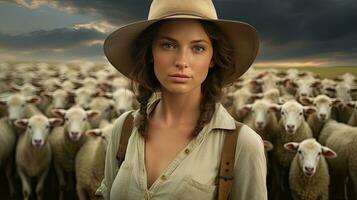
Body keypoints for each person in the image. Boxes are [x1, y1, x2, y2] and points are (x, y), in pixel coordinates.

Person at [96, 0, 267, 199]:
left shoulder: (242, 144)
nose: (182, 62)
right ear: (151, 52)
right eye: (168, 45)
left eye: (198, 48)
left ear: (213, 58)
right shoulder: (124, 128)